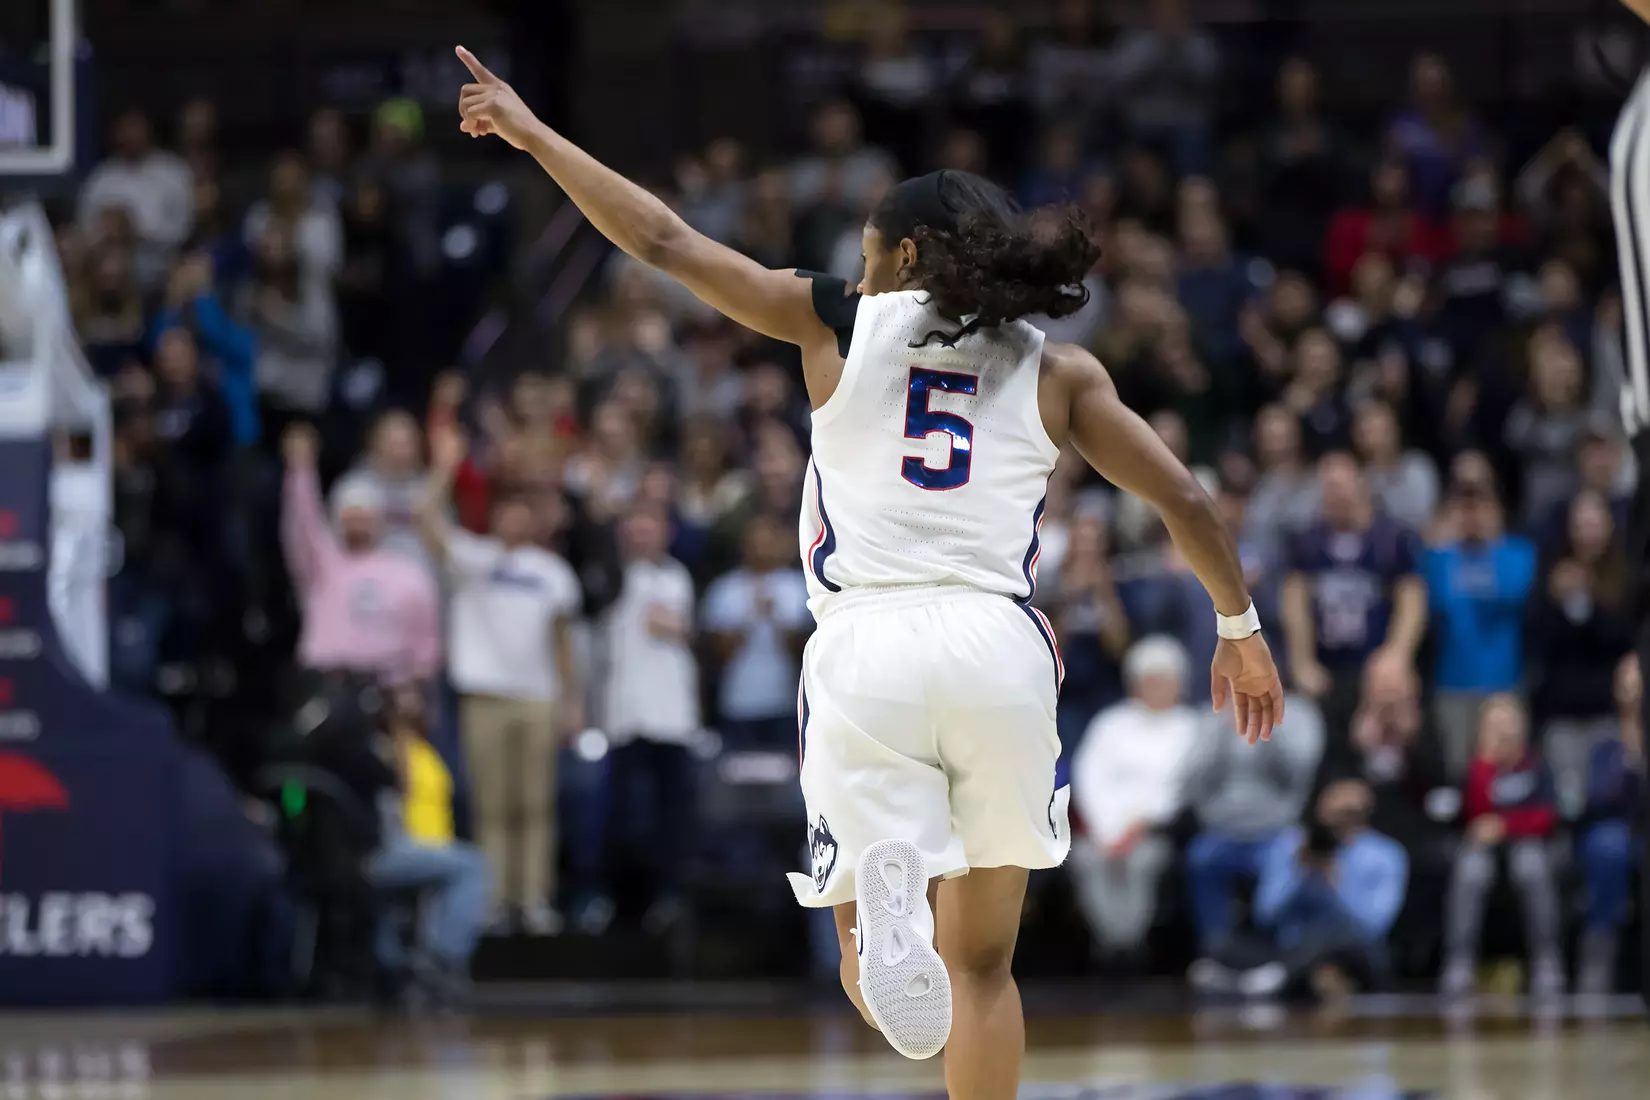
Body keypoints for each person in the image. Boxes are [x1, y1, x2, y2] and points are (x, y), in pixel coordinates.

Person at [454, 50, 1283, 1090]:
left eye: (867, 251)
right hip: (997, 644)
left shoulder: (838, 320)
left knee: (867, 967)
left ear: (906, 254)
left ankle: (878, 917)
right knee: (984, 967)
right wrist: (1240, 629)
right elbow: (1188, 502)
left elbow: (662, 239)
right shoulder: (1060, 368)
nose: (859, 268)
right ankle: (911, 933)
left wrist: (533, 133)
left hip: (868, 642)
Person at [418, 426, 584, 935]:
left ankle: (532, 898)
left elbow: (562, 642)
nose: (513, 520)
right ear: (493, 518)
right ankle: (491, 901)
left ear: (533, 521)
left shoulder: (552, 572)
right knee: (490, 803)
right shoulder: (473, 559)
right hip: (485, 696)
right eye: (505, 512)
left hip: (538, 698)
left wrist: (572, 701)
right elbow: (425, 518)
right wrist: (445, 467)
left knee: (535, 804)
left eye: (522, 513)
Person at [1066, 637, 1200, 962]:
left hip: (1156, 830)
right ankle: (1113, 945)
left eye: (1164, 681)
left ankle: (1131, 947)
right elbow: (1089, 777)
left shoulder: (1192, 728)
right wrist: (1105, 829)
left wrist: (1140, 823)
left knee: (1140, 864)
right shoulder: (1111, 723)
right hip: (1102, 829)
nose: (1156, 689)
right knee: (1086, 860)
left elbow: (1182, 788)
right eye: (1148, 681)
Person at [1440, 695, 1565, 999]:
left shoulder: (1536, 766)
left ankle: (1546, 960)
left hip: (1528, 844)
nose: (1504, 732)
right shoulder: (1475, 768)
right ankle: (1460, 961)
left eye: (1510, 723)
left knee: (1531, 867)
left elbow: (1547, 817)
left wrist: (1505, 826)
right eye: (1494, 725)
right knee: (1470, 871)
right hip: (1481, 848)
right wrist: (1485, 764)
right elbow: (1471, 814)